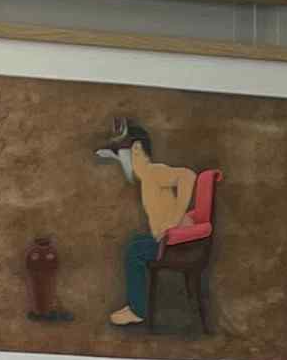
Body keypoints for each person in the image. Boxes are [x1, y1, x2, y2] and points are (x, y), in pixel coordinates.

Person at [92, 115, 216, 326]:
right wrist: (113, 154)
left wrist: (175, 218)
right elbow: (129, 168)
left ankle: (138, 311)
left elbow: (187, 176)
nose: (123, 163)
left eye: (124, 155)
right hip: (165, 241)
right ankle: (134, 305)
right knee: (135, 244)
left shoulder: (154, 172)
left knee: (134, 252)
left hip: (173, 244)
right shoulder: (146, 177)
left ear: (138, 150)